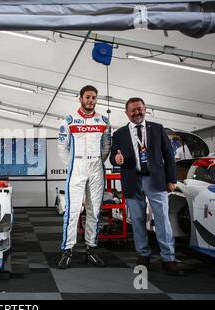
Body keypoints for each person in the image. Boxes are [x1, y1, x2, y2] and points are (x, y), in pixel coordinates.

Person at [110, 97, 184, 276]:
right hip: (131, 180)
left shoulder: (157, 129)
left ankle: (168, 258)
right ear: (127, 113)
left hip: (155, 180)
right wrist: (116, 159)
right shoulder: (119, 134)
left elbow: (169, 156)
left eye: (140, 109)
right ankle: (143, 255)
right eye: (133, 110)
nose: (137, 112)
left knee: (163, 220)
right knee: (137, 220)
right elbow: (113, 157)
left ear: (146, 109)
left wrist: (172, 179)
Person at [57, 85, 111, 268]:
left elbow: (106, 147)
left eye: (94, 97)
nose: (91, 100)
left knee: (94, 211)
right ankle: (68, 250)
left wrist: (97, 161)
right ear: (80, 98)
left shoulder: (104, 120)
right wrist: (73, 164)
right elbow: (62, 148)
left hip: (97, 166)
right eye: (88, 97)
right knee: (72, 211)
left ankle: (91, 249)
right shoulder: (69, 120)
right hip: (77, 167)